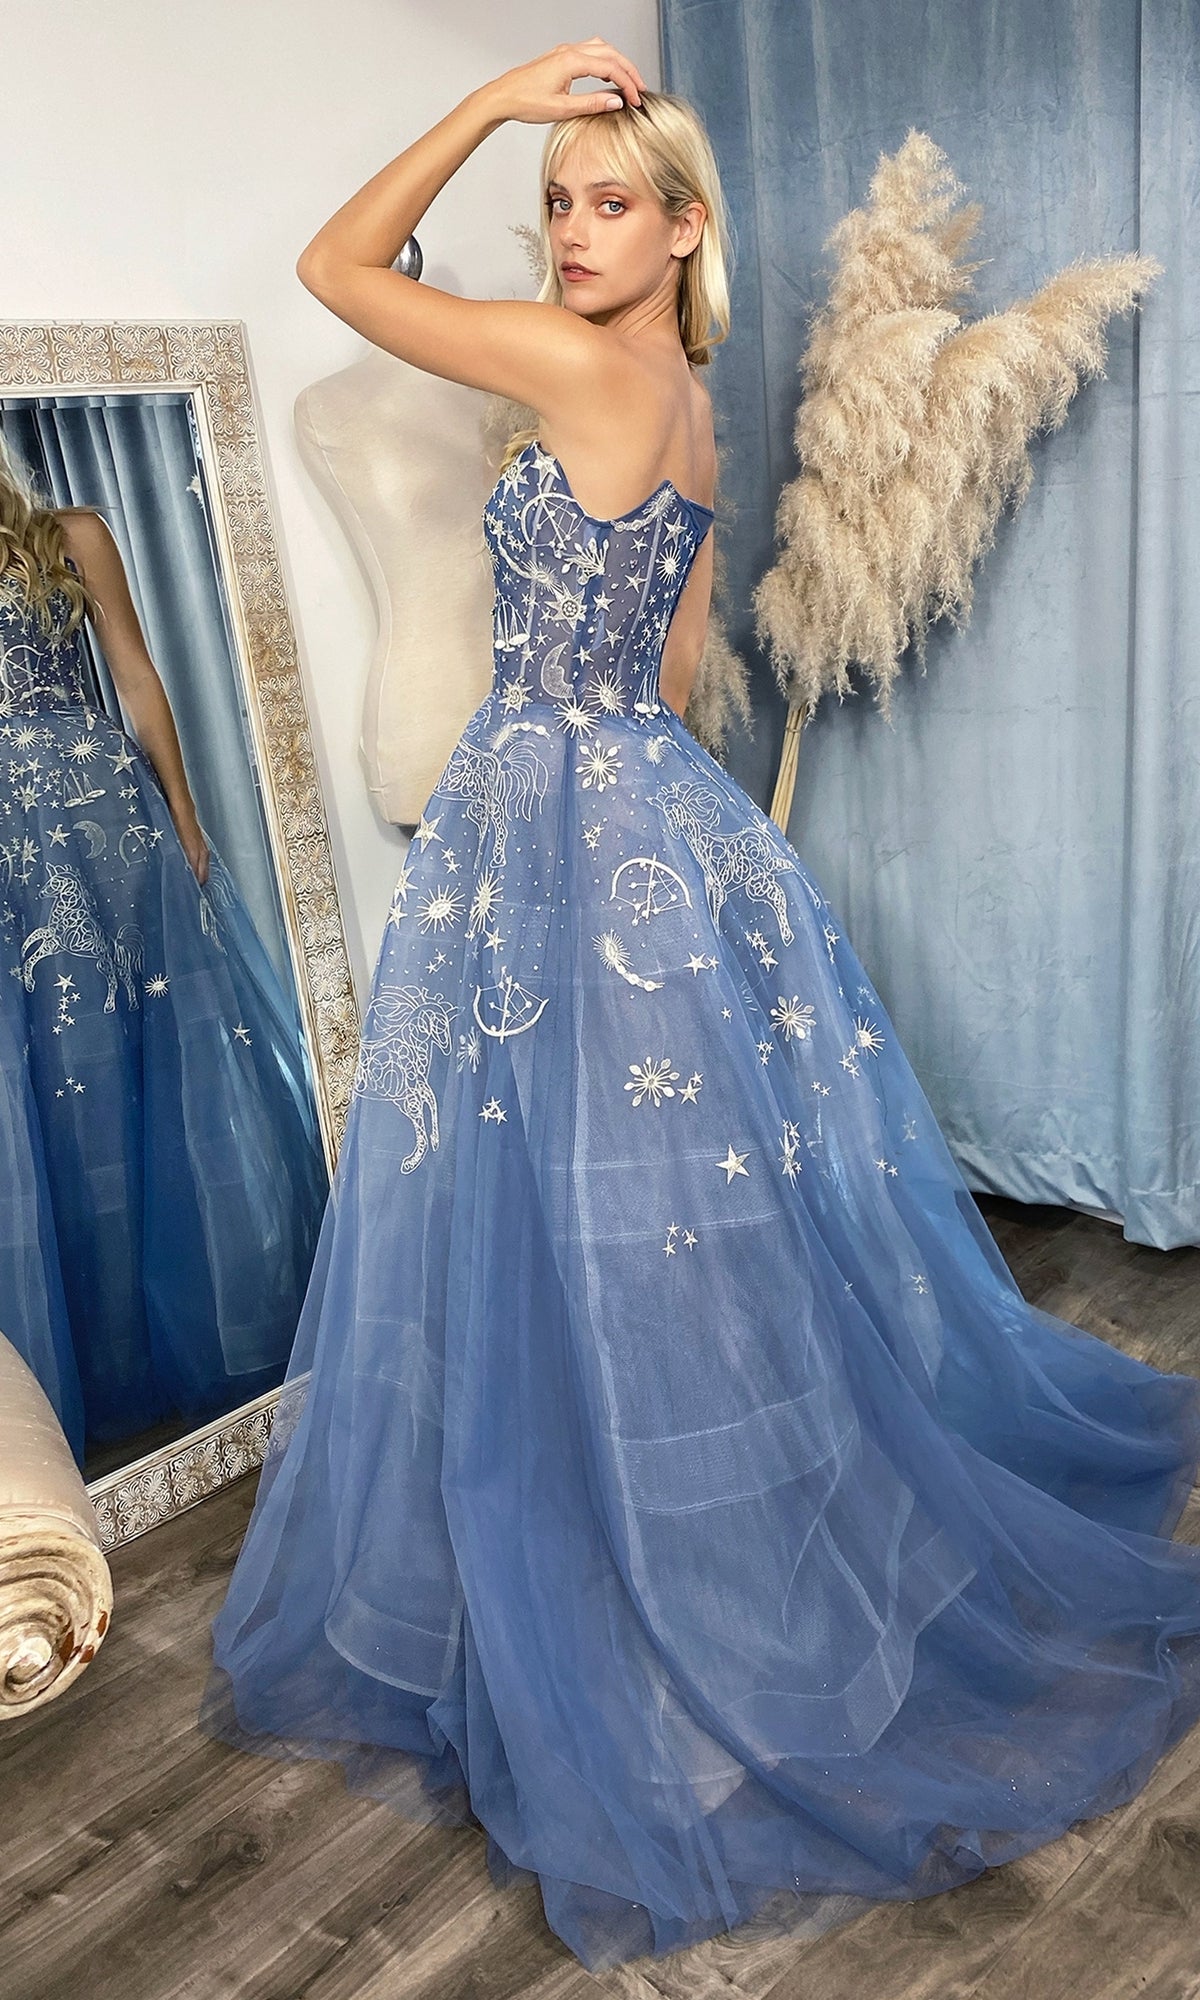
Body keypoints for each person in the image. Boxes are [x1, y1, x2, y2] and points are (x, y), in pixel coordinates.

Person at [200, 42, 1200, 1973]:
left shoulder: (581, 368)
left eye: (604, 199)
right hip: (642, 806)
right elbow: (672, 657)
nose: (569, 232)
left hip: (554, 817)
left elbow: (337, 265)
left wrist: (498, 99)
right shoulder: (685, 403)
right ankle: (701, 1543)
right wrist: (644, 822)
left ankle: (642, 1592)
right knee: (676, 1216)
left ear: (683, 226)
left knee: (569, 1208)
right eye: (553, 199)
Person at [0, 443, 329, 1464]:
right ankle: (83, 1384)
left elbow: (138, 678)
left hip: (104, 823)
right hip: (9, 853)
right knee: (45, 1094)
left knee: (139, 1073)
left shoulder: (71, 535)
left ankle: (172, 1346)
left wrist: (183, 812)